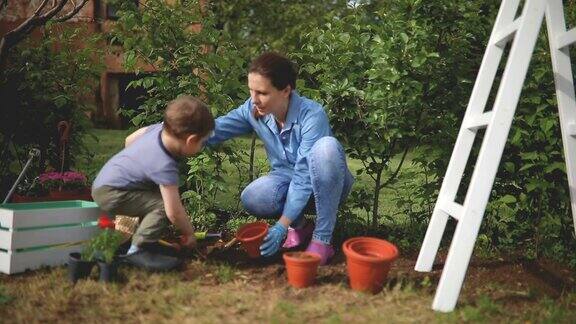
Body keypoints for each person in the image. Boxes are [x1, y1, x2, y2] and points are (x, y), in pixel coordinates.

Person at [208, 52, 354, 265]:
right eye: (251, 90)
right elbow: (216, 128)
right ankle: (301, 227)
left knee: (327, 148)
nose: (254, 99)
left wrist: (281, 225)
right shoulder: (254, 109)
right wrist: (167, 132)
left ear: (286, 90)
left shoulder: (312, 115)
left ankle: (322, 238)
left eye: (262, 93)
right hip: (287, 182)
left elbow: (304, 177)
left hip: (324, 187)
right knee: (253, 196)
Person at [92, 95, 214, 271]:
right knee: (162, 206)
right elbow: (174, 213)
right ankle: (138, 251)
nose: (202, 146)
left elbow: (130, 140)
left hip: (104, 183)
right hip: (112, 192)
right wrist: (189, 234)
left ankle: (134, 245)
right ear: (191, 140)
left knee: (150, 202)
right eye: (202, 142)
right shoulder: (164, 163)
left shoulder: (158, 130)